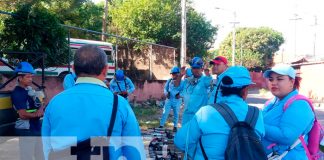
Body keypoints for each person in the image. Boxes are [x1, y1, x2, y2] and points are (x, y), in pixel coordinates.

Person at [42, 44, 145, 160]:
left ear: (73, 69)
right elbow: (134, 151)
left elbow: (46, 149)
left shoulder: (54, 104)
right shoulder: (119, 105)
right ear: (105, 70)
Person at [174, 66, 265, 159]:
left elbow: (180, 141)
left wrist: (198, 153)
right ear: (245, 90)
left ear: (221, 88)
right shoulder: (257, 114)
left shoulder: (206, 112)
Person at [262, 64, 315, 160]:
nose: (274, 82)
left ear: (292, 81)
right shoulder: (271, 103)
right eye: (271, 79)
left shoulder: (299, 105)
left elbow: (286, 136)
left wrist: (256, 124)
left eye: (279, 79)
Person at [11, 61, 45, 160]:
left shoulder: (29, 90)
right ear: (20, 78)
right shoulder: (18, 93)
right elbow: (22, 114)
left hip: (36, 127)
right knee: (27, 157)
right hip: (27, 130)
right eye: (28, 77)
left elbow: (40, 104)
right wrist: (38, 113)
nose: (31, 79)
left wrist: (41, 107)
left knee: (41, 155)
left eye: (31, 76)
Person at [180, 57, 212, 125]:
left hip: (199, 117)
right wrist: (180, 75)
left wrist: (207, 74)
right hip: (186, 116)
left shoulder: (205, 80)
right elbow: (176, 87)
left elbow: (211, 82)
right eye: (194, 68)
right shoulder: (187, 81)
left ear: (202, 69)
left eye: (198, 68)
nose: (196, 70)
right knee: (186, 134)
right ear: (191, 69)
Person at [159, 66, 183, 132]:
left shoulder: (182, 81)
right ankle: (161, 125)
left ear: (178, 74)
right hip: (169, 99)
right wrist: (166, 93)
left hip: (177, 100)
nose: (173, 75)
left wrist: (180, 95)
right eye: (172, 74)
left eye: (175, 73)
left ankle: (175, 126)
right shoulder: (169, 81)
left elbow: (184, 90)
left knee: (176, 113)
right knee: (165, 112)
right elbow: (165, 88)